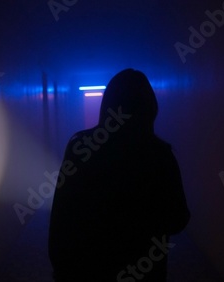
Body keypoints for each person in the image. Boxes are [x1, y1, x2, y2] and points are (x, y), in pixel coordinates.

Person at [48, 69, 190, 281]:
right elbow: (178, 219)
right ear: (149, 107)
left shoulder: (81, 149)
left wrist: (61, 267)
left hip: (88, 270)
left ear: (107, 106)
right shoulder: (159, 154)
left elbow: (61, 216)